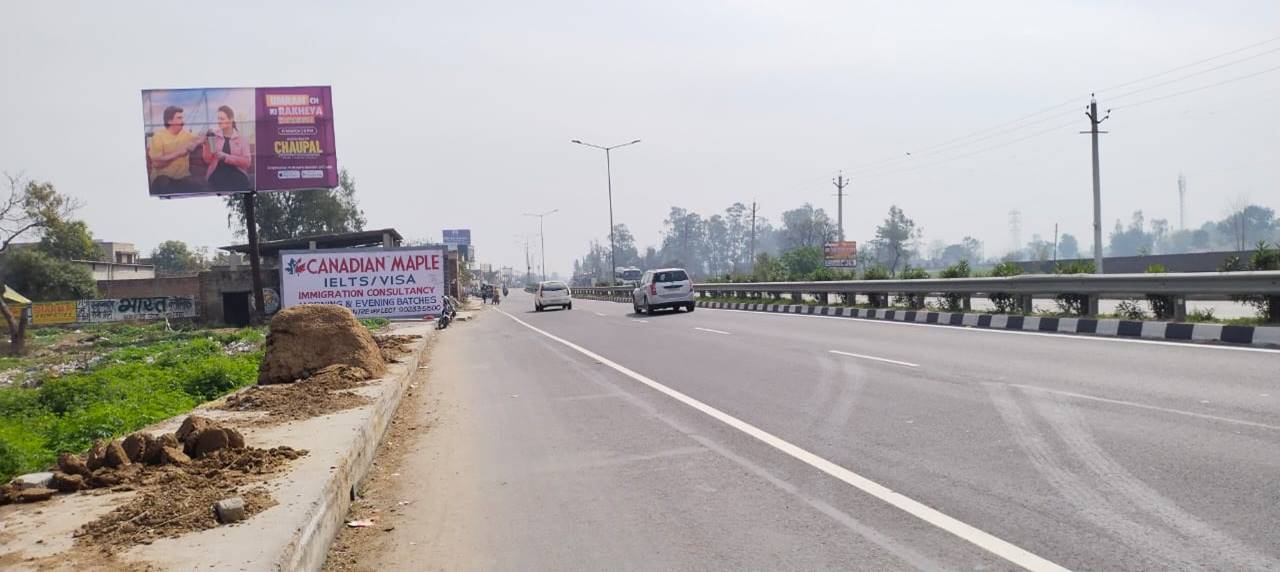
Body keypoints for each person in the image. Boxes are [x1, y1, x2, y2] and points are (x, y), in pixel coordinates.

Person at [148, 106, 207, 195]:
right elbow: (157, 164)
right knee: (163, 183)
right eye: (179, 118)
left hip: (183, 178)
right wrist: (179, 153)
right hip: (163, 178)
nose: (183, 121)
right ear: (169, 121)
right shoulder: (158, 137)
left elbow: (203, 137)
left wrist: (195, 144)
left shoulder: (187, 135)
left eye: (182, 118)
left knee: (202, 185)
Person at [202, 105, 252, 193]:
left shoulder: (241, 139)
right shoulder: (214, 136)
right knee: (219, 181)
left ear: (231, 119)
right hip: (217, 174)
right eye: (218, 119)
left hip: (237, 174)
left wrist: (226, 157)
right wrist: (207, 145)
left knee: (237, 183)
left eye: (222, 119)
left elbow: (247, 162)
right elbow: (208, 160)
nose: (219, 121)